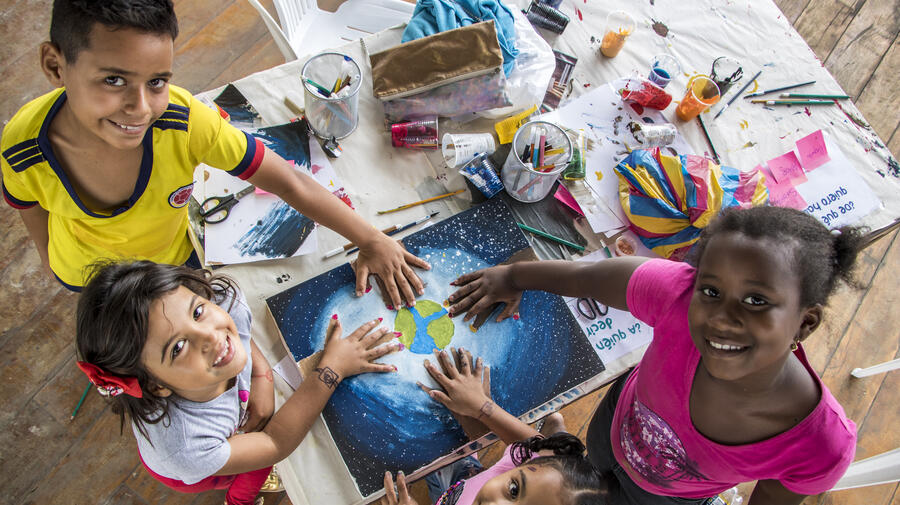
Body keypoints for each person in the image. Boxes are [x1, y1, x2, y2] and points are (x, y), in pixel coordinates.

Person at [0, 0, 426, 308]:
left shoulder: (184, 123)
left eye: (157, 81)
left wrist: (371, 238)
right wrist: (49, 259)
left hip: (175, 261)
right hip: (89, 275)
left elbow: (289, 180)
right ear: (55, 66)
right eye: (114, 80)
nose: (140, 108)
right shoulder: (22, 148)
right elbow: (27, 204)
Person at [445, 206, 862, 505]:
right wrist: (513, 275)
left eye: (756, 301)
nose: (722, 319)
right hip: (611, 431)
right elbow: (587, 277)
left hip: (662, 498)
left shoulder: (820, 445)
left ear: (806, 323)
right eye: (711, 291)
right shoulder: (678, 295)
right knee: (583, 471)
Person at [75, 261, 402, 505]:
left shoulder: (222, 299)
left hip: (233, 422)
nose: (210, 336)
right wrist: (331, 369)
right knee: (249, 472)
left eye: (197, 312)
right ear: (156, 386)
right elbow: (274, 444)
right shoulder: (183, 448)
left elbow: (239, 330)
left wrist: (261, 374)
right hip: (202, 467)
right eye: (178, 347)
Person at [381, 347, 606, 505]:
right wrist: (481, 406)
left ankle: (554, 431)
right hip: (463, 481)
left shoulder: (531, 481)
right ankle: (555, 430)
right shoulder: (538, 474)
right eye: (514, 490)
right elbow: (535, 447)